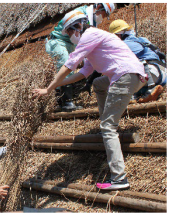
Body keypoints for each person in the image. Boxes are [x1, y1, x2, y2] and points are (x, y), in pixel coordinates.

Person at [32, 18, 147, 190]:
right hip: (133, 75)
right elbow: (83, 73)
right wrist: (56, 85)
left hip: (125, 76)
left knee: (108, 128)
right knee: (98, 84)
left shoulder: (90, 35)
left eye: (70, 32)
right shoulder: (95, 41)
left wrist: (48, 89)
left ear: (78, 27)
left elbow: (70, 65)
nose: (71, 36)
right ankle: (106, 117)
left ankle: (119, 178)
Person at [46, 3, 116, 112]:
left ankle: (60, 101)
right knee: (66, 63)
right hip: (59, 41)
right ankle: (67, 101)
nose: (103, 17)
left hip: (71, 43)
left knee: (74, 66)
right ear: (99, 7)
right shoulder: (80, 14)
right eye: (104, 14)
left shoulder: (92, 20)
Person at [109, 19, 167, 103]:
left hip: (150, 72)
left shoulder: (124, 44)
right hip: (162, 73)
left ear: (118, 35)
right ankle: (139, 94)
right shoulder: (142, 40)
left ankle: (150, 90)